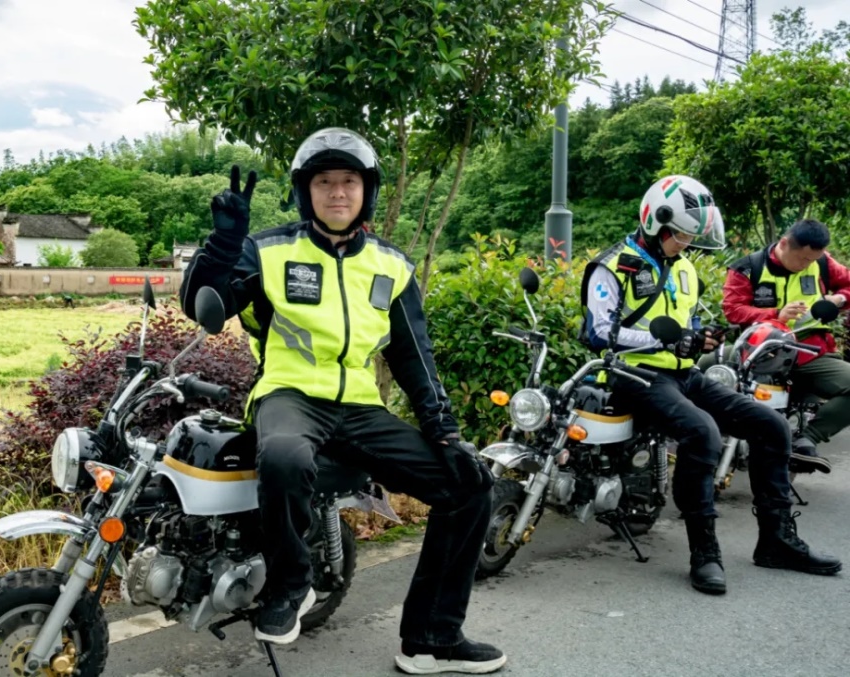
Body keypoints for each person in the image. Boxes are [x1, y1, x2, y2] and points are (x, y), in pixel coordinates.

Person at [180, 128, 504, 674]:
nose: (336, 192)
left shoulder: (391, 265)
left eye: (349, 181)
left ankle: (432, 638)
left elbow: (414, 356)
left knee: (470, 484)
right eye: (323, 182)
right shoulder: (269, 250)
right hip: (289, 394)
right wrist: (222, 246)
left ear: (366, 191)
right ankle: (290, 585)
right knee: (284, 456)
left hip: (359, 406)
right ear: (304, 192)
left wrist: (443, 430)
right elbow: (201, 304)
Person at [580, 175, 841, 596]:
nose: (686, 243)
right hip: (633, 374)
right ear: (656, 223)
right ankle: (704, 551)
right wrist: (664, 341)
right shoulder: (614, 266)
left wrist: (701, 337)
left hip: (684, 374)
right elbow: (598, 333)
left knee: (771, 426)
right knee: (702, 433)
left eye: (690, 236)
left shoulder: (684, 267)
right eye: (681, 234)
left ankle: (775, 541)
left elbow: (689, 322)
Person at [722, 219, 850, 474]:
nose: (807, 264)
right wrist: (775, 314)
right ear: (784, 244)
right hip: (759, 350)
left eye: (812, 260)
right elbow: (732, 309)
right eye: (802, 258)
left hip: (810, 351)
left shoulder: (823, 263)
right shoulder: (748, 268)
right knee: (703, 368)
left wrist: (838, 298)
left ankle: (807, 439)